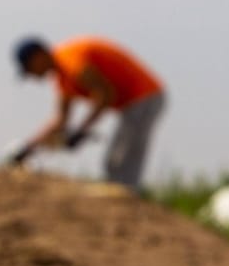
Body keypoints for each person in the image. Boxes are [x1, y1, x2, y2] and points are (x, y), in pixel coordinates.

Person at [10, 35, 166, 192]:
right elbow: (60, 120)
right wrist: (28, 149)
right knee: (116, 161)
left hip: (144, 97)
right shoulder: (63, 78)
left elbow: (105, 94)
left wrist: (81, 130)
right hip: (135, 103)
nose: (31, 75)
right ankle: (123, 199)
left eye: (29, 68)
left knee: (121, 160)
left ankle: (126, 203)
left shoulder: (69, 61)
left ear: (38, 56)